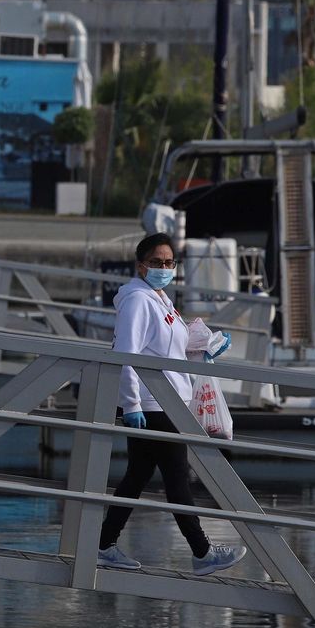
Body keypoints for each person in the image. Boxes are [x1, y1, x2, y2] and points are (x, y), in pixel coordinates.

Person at [97, 232, 247, 576]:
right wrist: (131, 403)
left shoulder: (160, 298)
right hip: (153, 405)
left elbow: (167, 348)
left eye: (169, 263)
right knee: (177, 477)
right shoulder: (138, 300)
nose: (164, 268)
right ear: (140, 266)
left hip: (169, 401)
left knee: (137, 476)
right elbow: (128, 353)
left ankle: (104, 544)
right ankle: (203, 552)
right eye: (156, 262)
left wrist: (204, 345)